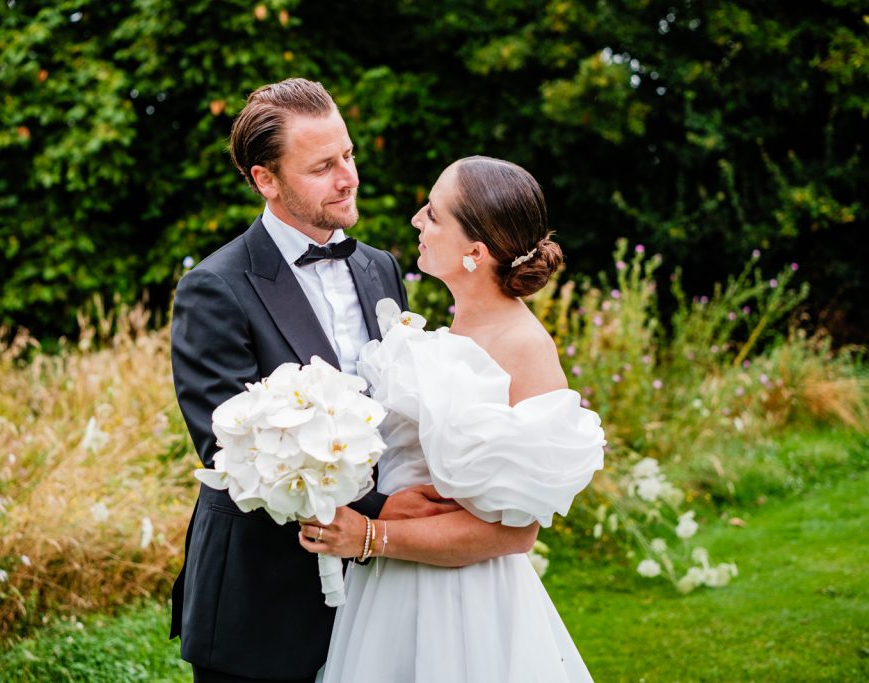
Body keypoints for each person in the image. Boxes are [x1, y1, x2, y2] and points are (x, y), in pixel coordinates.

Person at [170, 80, 539, 683]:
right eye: (322, 166)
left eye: (348, 155)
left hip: (381, 596)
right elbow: (233, 453)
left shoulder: (380, 267)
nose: (348, 177)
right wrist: (379, 511)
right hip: (263, 604)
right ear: (267, 180)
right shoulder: (216, 287)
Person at [298, 156, 606, 682]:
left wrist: (371, 537)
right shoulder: (442, 338)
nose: (418, 220)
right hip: (387, 597)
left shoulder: (525, 349)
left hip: (464, 607)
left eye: (434, 214)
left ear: (475, 252)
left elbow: (515, 534)